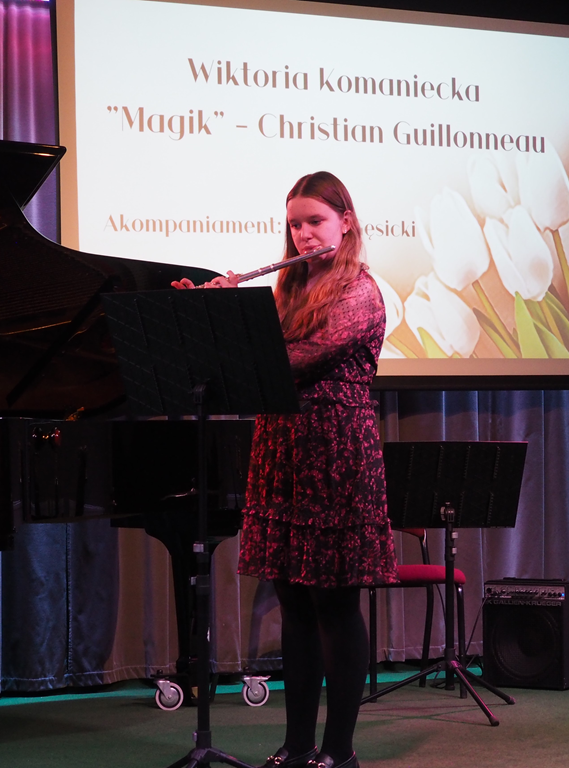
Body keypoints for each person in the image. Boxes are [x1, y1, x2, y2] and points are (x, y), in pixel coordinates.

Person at [173, 172, 397, 768]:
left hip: (336, 453)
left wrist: (229, 317)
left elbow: (292, 360)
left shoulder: (361, 292)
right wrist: (211, 313)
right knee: (295, 607)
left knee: (335, 607)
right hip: (283, 448)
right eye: (295, 224)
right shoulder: (289, 290)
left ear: (345, 221)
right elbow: (250, 361)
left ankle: (339, 752)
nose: (303, 234)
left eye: (315, 221)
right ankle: (297, 747)